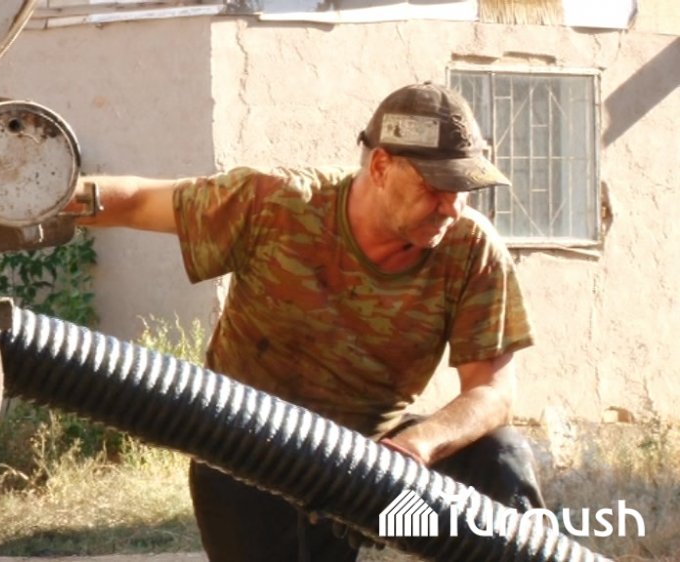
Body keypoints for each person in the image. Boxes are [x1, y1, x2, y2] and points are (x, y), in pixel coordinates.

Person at [68, 82, 544, 561]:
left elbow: (492, 392)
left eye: (462, 190)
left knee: (500, 457)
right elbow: (137, 201)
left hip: (370, 474)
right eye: (435, 187)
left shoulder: (470, 249)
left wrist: (413, 449)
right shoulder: (279, 204)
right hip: (243, 454)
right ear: (381, 166)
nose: (452, 207)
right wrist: (39, 198)